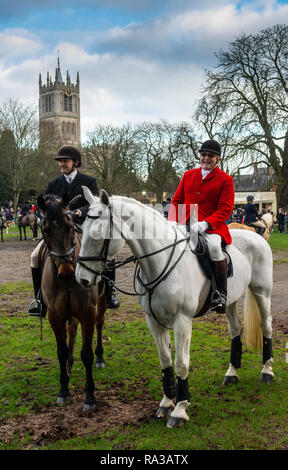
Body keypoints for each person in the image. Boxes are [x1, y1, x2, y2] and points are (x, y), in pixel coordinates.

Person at [28, 145, 120, 317]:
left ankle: (109, 293)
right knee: (34, 256)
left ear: (75, 163)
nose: (62, 164)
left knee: (109, 255)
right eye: (60, 161)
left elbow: (94, 202)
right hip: (59, 230)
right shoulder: (53, 184)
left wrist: (79, 212)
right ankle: (39, 300)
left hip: (84, 225)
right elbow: (46, 202)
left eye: (65, 161)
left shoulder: (89, 181)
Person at [169, 138, 234, 314]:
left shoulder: (225, 180)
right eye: (203, 155)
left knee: (213, 247)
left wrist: (206, 223)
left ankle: (221, 293)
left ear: (218, 159)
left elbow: (226, 208)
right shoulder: (188, 175)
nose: (206, 158)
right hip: (185, 224)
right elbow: (177, 200)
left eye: (210, 156)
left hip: (212, 227)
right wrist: (175, 221)